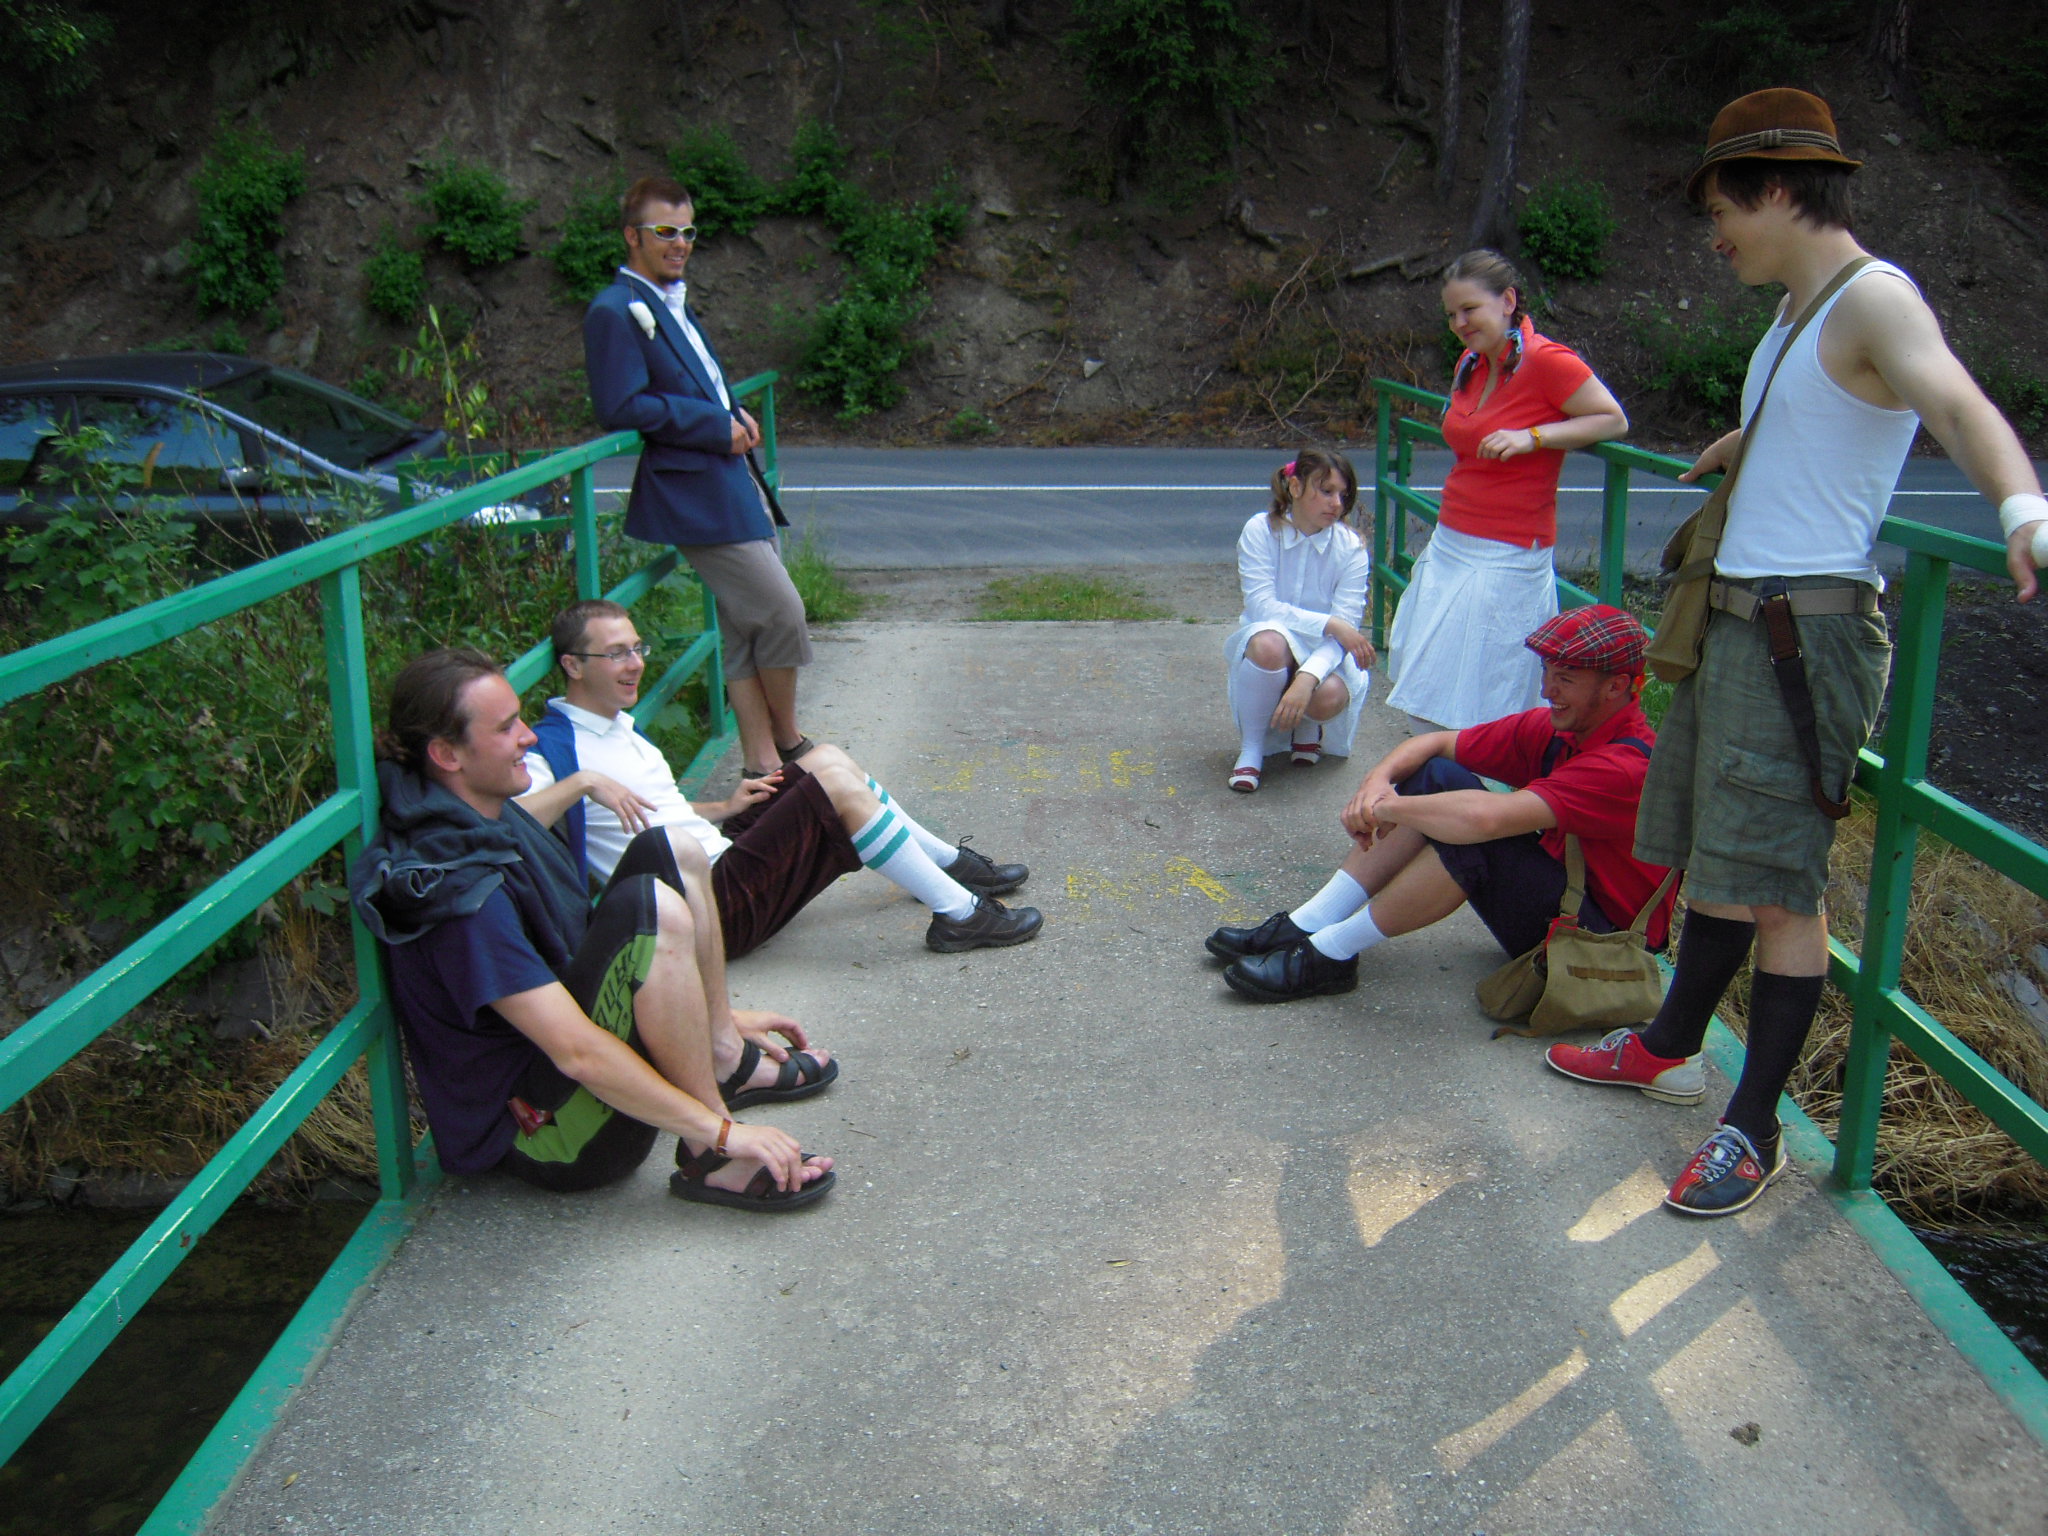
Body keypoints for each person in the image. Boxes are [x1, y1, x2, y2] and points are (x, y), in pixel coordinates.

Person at [1546, 88, 2048, 1218]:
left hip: (1800, 638)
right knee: (1721, 857)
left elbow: (1955, 406)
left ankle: (1753, 1127)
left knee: (1779, 887)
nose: (1713, 235)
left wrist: (2023, 510)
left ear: (1775, 189)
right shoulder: (1793, 315)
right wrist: (1744, 442)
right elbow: (1827, 423)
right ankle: (1669, 1043)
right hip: (1737, 622)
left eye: (1720, 209)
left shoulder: (1875, 298)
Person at [349, 648, 837, 1212]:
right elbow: (576, 1051)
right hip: (549, 1134)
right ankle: (711, 1151)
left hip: (560, 1079)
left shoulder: (469, 814)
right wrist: (725, 1132)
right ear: (445, 754)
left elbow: (576, 948)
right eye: (506, 728)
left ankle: (720, 1049)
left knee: (672, 849)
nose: (530, 737)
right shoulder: (462, 900)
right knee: (649, 908)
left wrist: (716, 1016)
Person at [1208, 606, 1680, 1022]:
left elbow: (1486, 822)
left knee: (1476, 840)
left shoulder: (1626, 765)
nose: (1547, 689)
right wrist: (1376, 783)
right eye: (1547, 671)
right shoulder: (1565, 728)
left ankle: (1330, 954)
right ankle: (1309, 922)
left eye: (1566, 679)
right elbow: (1436, 744)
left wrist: (1388, 808)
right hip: (1564, 906)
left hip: (1601, 947)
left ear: (1617, 686)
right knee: (1436, 775)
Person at [518, 599, 1043, 955]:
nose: (635, 664)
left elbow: (648, 809)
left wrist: (723, 809)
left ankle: (946, 864)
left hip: (722, 858)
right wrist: (582, 783)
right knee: (835, 790)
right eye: (616, 654)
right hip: (709, 909)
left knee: (825, 760)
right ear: (573, 666)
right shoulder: (555, 750)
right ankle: (960, 914)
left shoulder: (617, 724)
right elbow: (508, 821)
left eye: (637, 649)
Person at [584, 174, 810, 781]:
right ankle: (790, 741)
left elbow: (699, 378)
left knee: (741, 628)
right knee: (782, 612)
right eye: (664, 231)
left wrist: (733, 411)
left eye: (687, 232)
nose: (679, 243)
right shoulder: (613, 310)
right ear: (632, 236)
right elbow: (621, 405)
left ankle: (761, 767)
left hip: (731, 477)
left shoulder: (670, 302)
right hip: (695, 491)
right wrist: (715, 426)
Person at [1385, 251, 1630, 733]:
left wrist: (1533, 436)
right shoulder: (1471, 361)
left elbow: (1612, 419)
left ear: (1508, 301)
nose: (1459, 323)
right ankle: (1441, 778)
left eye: (1469, 309)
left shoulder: (1547, 361)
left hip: (1506, 553)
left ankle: (1466, 780)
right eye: (1451, 314)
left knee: (1482, 700)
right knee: (1429, 687)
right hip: (1451, 541)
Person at [1224, 449, 1376, 792]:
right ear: (1295, 487)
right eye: (1326, 491)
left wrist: (1307, 678)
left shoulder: (1351, 547)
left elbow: (1344, 636)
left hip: (1325, 654)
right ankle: (1252, 748)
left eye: (1343, 495)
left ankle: (1307, 723)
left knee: (1329, 695)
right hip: (1271, 641)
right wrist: (1331, 624)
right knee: (1269, 642)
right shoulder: (1261, 530)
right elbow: (1262, 605)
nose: (1336, 503)